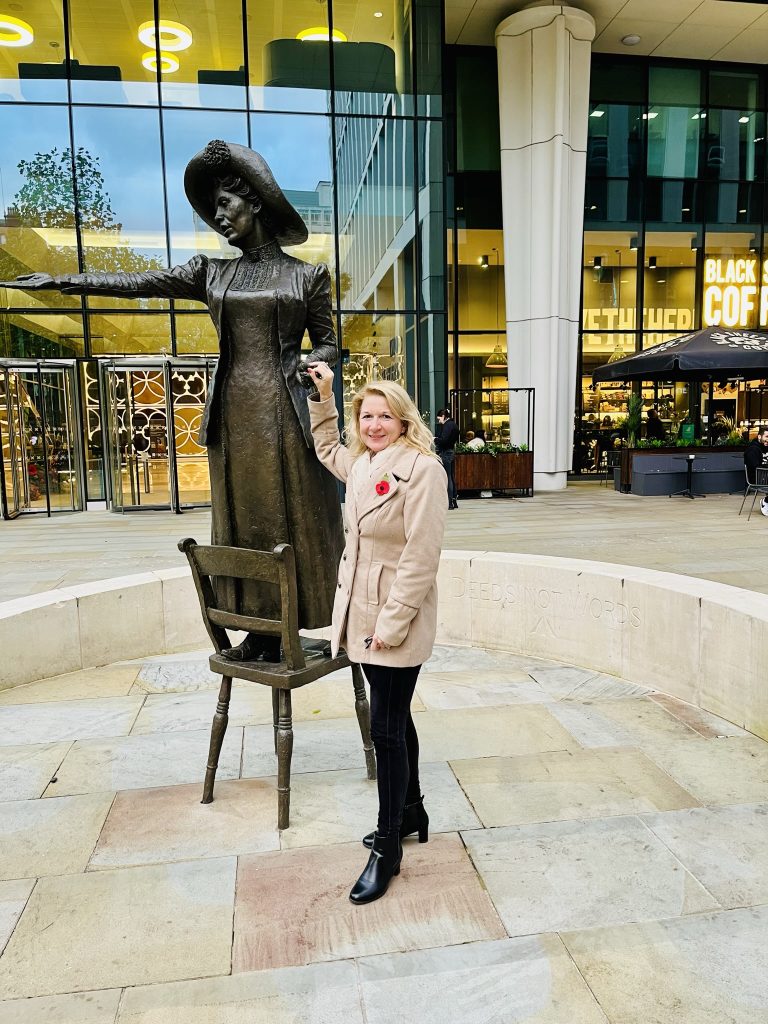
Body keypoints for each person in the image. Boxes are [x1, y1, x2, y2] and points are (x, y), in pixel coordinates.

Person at [1, 140, 343, 664]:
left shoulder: (307, 276)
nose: (218, 217)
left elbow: (329, 342)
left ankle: (294, 617)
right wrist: (63, 281)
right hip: (233, 412)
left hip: (286, 414)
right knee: (242, 519)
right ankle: (256, 624)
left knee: (287, 517)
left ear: (253, 202)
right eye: (213, 210)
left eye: (225, 205)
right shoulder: (212, 272)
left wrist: (309, 363)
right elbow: (138, 282)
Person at [306, 360, 447, 905]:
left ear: (404, 419)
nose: (373, 424)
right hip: (360, 613)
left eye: (384, 416)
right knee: (394, 716)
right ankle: (410, 810)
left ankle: (388, 846)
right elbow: (326, 449)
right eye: (366, 416)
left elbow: (420, 558)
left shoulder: (423, 471)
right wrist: (325, 396)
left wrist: (391, 626)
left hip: (395, 618)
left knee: (384, 728)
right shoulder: (363, 464)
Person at [435, 407, 460, 509]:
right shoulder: (454, 424)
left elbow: (444, 440)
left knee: (447, 476)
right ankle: (454, 500)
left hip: (445, 452)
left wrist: (435, 439)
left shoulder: (447, 425)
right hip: (451, 451)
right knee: (451, 476)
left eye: (439, 418)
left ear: (443, 416)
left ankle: (449, 502)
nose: (439, 421)